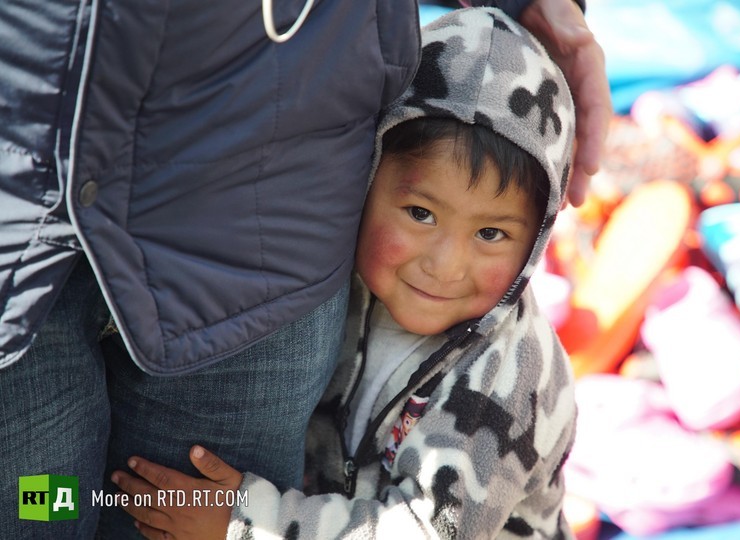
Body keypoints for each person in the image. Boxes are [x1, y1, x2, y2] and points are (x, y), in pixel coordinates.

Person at [0, 0, 607, 537]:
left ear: (539, 236)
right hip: (39, 242)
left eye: (492, 233)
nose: (445, 264)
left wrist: (245, 522)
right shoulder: (351, 284)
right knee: (43, 501)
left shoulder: (507, 377)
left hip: (232, 275)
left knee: (158, 507)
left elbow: (428, 529)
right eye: (420, 213)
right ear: (368, 178)